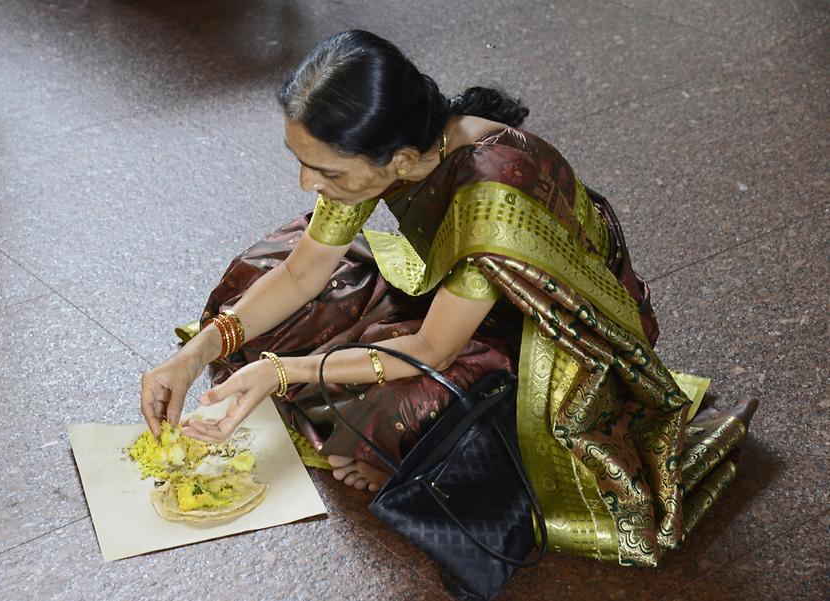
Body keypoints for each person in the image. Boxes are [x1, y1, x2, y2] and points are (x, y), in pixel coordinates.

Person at [140, 30, 756, 567]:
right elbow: (303, 274)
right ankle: (373, 432)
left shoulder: (491, 197)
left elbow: (432, 349)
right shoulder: (393, 150)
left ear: (403, 161)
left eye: (327, 173)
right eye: (303, 163)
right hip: (452, 296)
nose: (309, 184)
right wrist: (194, 355)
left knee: (405, 403)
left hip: (550, 344)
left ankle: (407, 454)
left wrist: (281, 372)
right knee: (265, 268)